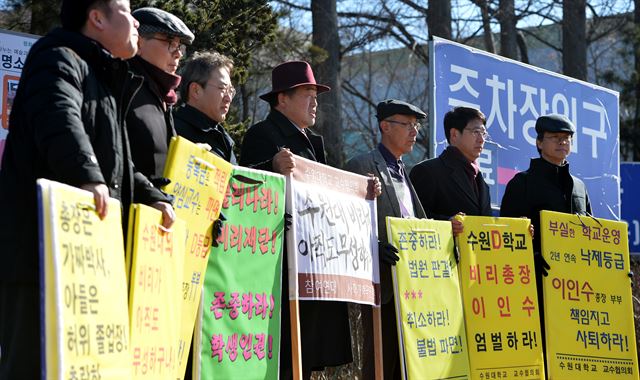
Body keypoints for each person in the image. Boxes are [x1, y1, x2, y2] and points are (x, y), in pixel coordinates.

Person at [0, 1, 174, 378]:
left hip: (85, 264)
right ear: (96, 17)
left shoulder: (106, 78)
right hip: (38, 260)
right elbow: (58, 116)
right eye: (127, 10)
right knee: (33, 365)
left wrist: (153, 197)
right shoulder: (57, 59)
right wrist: (87, 175)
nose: (136, 25)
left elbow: (118, 163)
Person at [239, 61, 352, 379]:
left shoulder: (313, 143)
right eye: (306, 93)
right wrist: (271, 164)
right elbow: (245, 188)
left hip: (314, 263)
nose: (314, 101)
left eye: (316, 94)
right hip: (282, 266)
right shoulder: (262, 135)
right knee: (286, 359)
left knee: (307, 357)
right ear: (282, 99)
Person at [500, 114, 591, 371]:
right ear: (539, 143)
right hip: (537, 287)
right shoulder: (522, 183)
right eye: (554, 138)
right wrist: (532, 257)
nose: (562, 143)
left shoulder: (580, 187)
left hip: (575, 291)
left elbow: (592, 236)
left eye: (566, 138)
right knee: (542, 356)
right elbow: (509, 235)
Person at [344, 99, 427, 380]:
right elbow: (346, 221)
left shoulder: (405, 170)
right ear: (385, 126)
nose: (414, 131)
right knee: (381, 361)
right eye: (407, 125)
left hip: (412, 285)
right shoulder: (361, 165)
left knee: (407, 366)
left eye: (416, 125)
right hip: (383, 285)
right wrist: (373, 247)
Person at [127, 7, 194, 184]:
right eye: (169, 42)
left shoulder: (163, 94)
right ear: (139, 43)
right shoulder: (125, 86)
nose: (178, 53)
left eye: (179, 46)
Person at [410, 106, 492, 236]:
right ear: (454, 134)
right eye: (476, 132)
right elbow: (413, 219)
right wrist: (447, 224)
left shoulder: (481, 181)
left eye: (483, 133)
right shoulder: (428, 171)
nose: (481, 139)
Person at [175, 51, 237, 164]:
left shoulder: (221, 135)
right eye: (222, 88)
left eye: (231, 91)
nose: (228, 98)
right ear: (196, 90)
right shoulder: (174, 132)